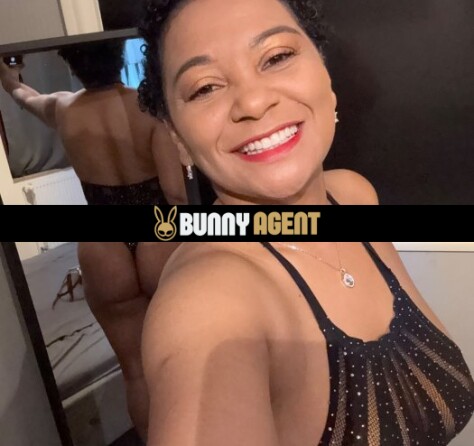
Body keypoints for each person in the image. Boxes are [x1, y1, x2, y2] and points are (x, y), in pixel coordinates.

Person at [137, 0, 474, 445]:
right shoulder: (206, 305)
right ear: (177, 137)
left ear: (325, 74)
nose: (253, 102)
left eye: (276, 57)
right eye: (205, 88)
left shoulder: (353, 196)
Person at [0, 39, 187, 440]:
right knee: (181, 356)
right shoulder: (149, 108)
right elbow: (175, 194)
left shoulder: (62, 107)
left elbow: (21, 95)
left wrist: (9, 75)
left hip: (103, 246)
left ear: (72, 65)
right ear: (118, 57)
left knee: (135, 370)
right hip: (158, 232)